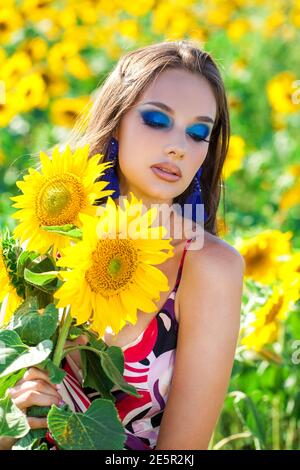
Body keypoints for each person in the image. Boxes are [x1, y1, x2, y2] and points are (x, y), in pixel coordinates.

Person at [1, 39, 245, 451]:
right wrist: (15, 420)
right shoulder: (47, 243)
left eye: (198, 132)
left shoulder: (208, 266)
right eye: (156, 119)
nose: (178, 146)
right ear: (117, 120)